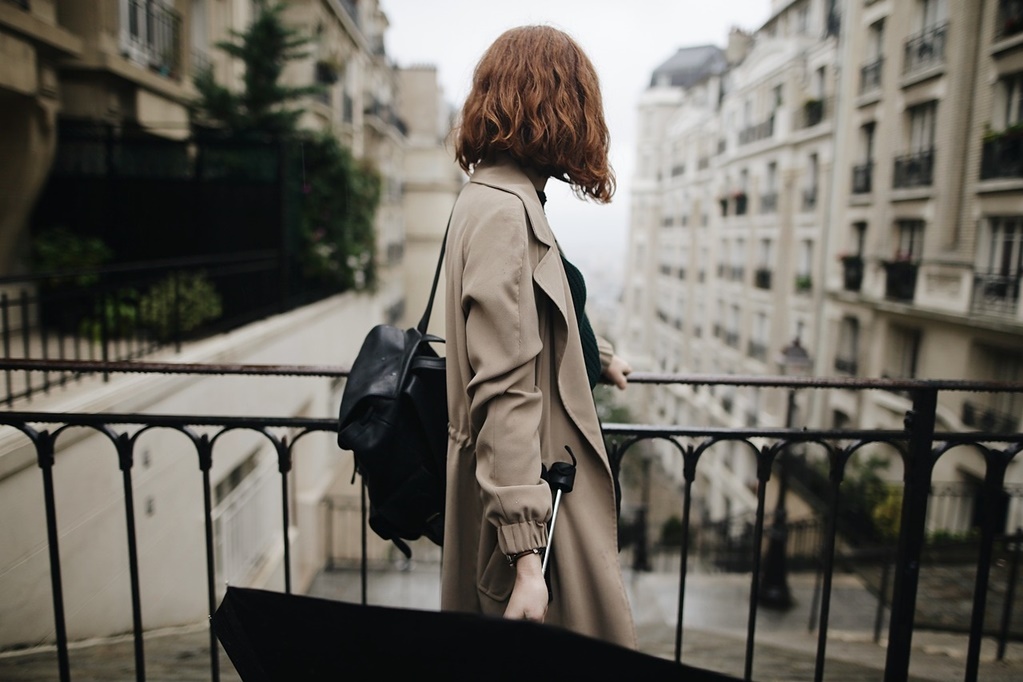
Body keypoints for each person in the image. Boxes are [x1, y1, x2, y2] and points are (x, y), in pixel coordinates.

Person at [441, 25, 636, 649]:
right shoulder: (505, 210)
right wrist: (528, 557)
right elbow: (504, 386)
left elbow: (531, 315)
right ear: (559, 106)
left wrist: (594, 357)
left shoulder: (494, 194)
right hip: (536, 502)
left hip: (527, 491)